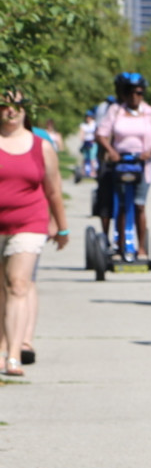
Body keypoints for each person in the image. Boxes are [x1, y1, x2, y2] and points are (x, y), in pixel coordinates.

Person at [0, 90, 69, 377]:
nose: (11, 111)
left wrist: (61, 226)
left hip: (29, 222)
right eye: (4, 106)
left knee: (18, 285)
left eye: (17, 106)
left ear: (26, 111)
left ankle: (14, 355)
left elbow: (53, 191)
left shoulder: (41, 147)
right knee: (2, 290)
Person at [95, 72, 151, 258]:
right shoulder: (116, 111)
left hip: (144, 164)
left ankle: (141, 247)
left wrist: (150, 152)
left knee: (139, 205)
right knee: (122, 205)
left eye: (139, 92)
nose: (135, 96)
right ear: (124, 94)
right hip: (121, 163)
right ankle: (121, 246)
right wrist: (111, 151)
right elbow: (101, 133)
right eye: (131, 93)